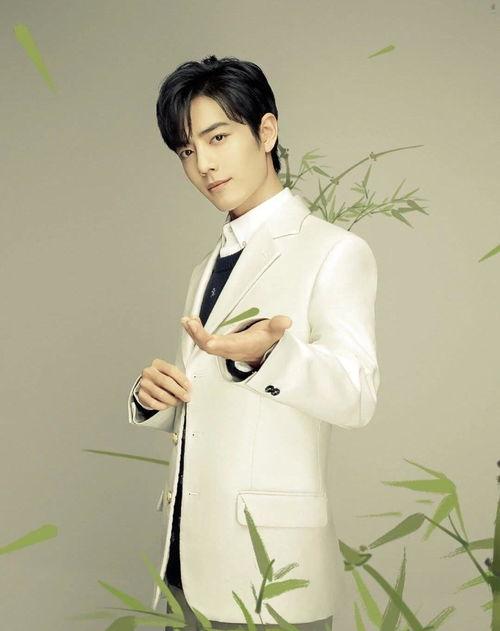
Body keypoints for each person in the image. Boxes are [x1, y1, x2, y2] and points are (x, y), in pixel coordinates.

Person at [127, 55, 380, 631]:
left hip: (271, 568)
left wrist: (270, 357)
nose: (204, 165)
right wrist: (155, 398)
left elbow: (358, 394)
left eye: (218, 137)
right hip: (189, 556)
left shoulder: (333, 251)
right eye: (186, 151)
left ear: (266, 132)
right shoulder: (205, 267)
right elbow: (214, 406)